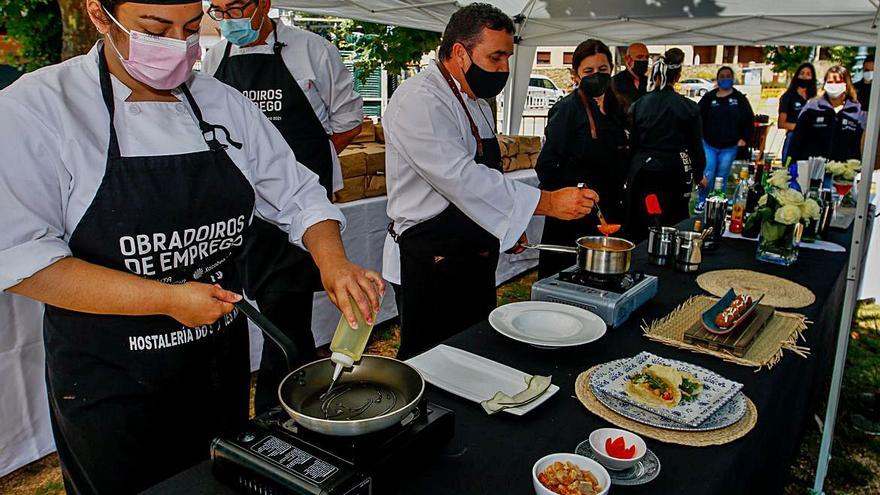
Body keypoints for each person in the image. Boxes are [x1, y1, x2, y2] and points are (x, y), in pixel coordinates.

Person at [0, 0, 384, 493]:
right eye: (156, 28)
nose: (179, 47)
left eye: (188, 28)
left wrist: (333, 262)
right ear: (99, 15)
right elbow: (26, 260)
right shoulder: (37, 109)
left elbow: (297, 192)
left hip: (214, 365)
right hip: (111, 380)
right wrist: (165, 298)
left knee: (216, 481)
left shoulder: (222, 102)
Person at [382, 3, 599, 359]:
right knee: (432, 360)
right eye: (496, 57)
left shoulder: (476, 101)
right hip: (428, 257)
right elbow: (460, 177)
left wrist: (503, 227)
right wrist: (545, 203)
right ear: (459, 52)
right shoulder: (419, 100)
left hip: (471, 251)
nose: (504, 69)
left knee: (475, 347)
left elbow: (487, 176)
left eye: (508, 58)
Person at [201, 0, 364, 415]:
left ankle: (283, 411)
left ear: (264, 4)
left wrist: (300, 168)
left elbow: (347, 123)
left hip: (299, 210)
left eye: (236, 7)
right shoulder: (216, 55)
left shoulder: (313, 50)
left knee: (284, 314)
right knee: (239, 308)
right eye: (217, 10)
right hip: (239, 214)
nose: (228, 18)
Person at [536, 39, 629, 278]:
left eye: (602, 70)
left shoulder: (619, 109)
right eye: (588, 71)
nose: (596, 76)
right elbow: (546, 166)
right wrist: (572, 193)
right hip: (572, 216)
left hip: (609, 212)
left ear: (611, 71)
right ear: (575, 74)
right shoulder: (566, 110)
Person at [625, 48, 706, 243]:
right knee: (673, 220)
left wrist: (630, 169)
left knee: (642, 218)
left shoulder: (640, 104)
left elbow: (633, 142)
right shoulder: (688, 106)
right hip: (674, 169)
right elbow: (695, 145)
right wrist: (699, 173)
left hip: (643, 167)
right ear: (678, 76)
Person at [695, 66, 755, 212]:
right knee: (708, 173)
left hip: (730, 146)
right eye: (722, 76)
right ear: (717, 78)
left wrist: (744, 138)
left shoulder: (739, 99)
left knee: (721, 176)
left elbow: (749, 119)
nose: (725, 78)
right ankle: (702, 200)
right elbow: (696, 115)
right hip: (709, 144)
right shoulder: (709, 98)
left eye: (728, 76)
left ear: (733, 78)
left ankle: (718, 202)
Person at [789, 65, 866, 163]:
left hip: (845, 171)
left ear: (846, 85)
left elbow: (862, 142)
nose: (833, 85)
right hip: (813, 170)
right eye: (830, 82)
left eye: (838, 82)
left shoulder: (857, 110)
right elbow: (797, 140)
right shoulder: (812, 107)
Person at [778, 62, 817, 163]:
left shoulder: (815, 99)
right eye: (802, 73)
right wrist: (802, 127)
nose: (804, 76)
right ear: (797, 75)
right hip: (793, 139)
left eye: (808, 74)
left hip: (811, 141)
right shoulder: (788, 97)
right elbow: (781, 123)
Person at [611, 42, 649, 111]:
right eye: (639, 57)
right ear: (627, 59)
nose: (644, 60)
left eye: (647, 57)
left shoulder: (650, 82)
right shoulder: (614, 82)